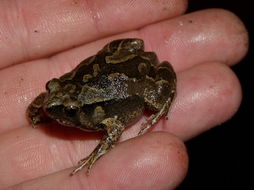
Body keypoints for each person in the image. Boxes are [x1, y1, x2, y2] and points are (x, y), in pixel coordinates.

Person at [0, 0, 248, 189]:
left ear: (79, 110)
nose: (50, 103)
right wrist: (35, 110)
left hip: (138, 83)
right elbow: (52, 100)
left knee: (155, 100)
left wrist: (98, 152)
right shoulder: (61, 96)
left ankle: (163, 103)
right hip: (117, 64)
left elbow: (116, 127)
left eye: (71, 110)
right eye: (51, 87)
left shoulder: (100, 116)